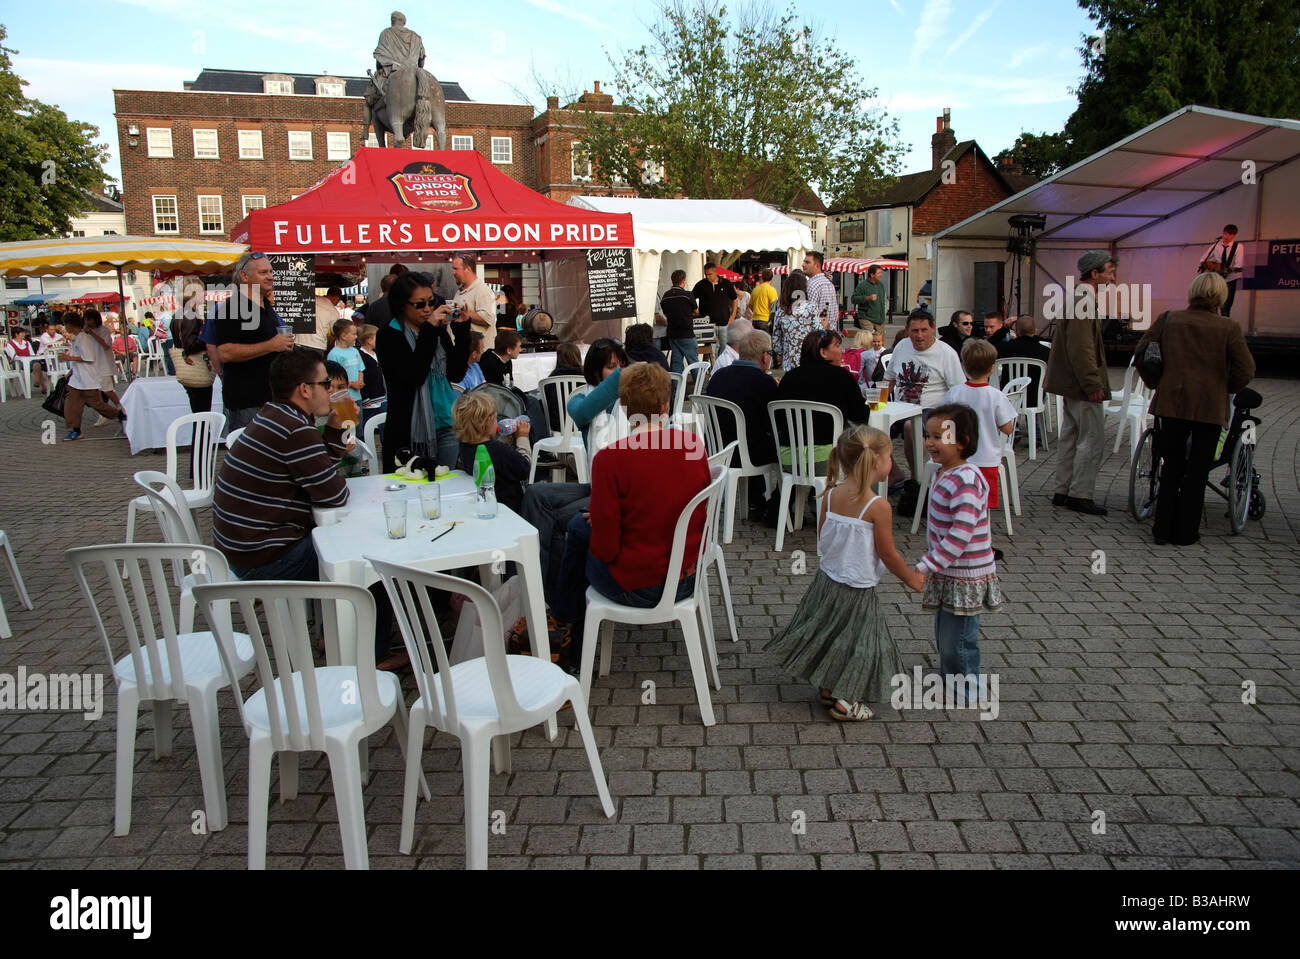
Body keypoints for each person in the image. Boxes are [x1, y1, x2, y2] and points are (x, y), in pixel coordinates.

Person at [212, 350, 404, 670]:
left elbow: (320, 473)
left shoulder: (276, 416)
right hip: (263, 558)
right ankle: (372, 655)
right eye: (325, 384)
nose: (331, 390)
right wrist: (335, 441)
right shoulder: (294, 429)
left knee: (343, 544)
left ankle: (333, 634)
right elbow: (333, 494)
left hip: (241, 547)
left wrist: (332, 427)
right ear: (305, 389)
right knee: (370, 565)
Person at [552, 361, 709, 669]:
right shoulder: (692, 444)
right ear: (665, 405)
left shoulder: (611, 459)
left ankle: (565, 630)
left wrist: (608, 521)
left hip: (642, 586)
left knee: (578, 533)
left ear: (623, 407)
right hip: (689, 575)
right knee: (580, 527)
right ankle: (564, 625)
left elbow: (607, 548)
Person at [768, 425, 923, 721]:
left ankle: (829, 688)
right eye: (890, 456)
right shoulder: (878, 506)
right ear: (877, 461)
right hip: (857, 586)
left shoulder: (830, 493)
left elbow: (823, 533)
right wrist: (912, 579)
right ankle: (846, 699)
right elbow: (888, 554)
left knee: (831, 634)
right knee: (860, 644)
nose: (891, 462)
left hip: (828, 580)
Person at [1134, 272, 1256, 547]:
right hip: (1209, 407)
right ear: (1221, 296)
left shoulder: (1168, 319)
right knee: (1198, 471)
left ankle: (1162, 528)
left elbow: (1141, 354)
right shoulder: (1229, 328)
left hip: (1172, 403)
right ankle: (1186, 532)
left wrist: (1157, 382)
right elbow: (1246, 370)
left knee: (1171, 466)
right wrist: (1226, 387)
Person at [522, 338, 629, 601]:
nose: (618, 372)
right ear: (595, 371)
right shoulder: (581, 399)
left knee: (560, 520)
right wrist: (621, 378)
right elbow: (582, 412)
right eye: (611, 367)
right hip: (597, 485)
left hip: (620, 493)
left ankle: (555, 598)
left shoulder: (633, 399)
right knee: (536, 493)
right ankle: (529, 578)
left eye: (621, 366)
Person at [915, 404, 1001, 692]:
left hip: (965, 574)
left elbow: (960, 535)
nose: (930, 443)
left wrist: (928, 565)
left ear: (963, 441)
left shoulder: (964, 479)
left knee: (960, 638)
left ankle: (967, 688)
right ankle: (951, 675)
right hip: (950, 571)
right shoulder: (945, 472)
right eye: (928, 436)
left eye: (940, 437)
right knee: (946, 633)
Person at [375, 271, 468, 473]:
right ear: (402, 305)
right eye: (419, 304)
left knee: (444, 487)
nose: (427, 309)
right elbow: (413, 376)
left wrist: (461, 331)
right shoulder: (388, 335)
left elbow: (456, 373)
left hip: (445, 422)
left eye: (431, 302)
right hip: (407, 430)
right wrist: (429, 331)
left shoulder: (435, 329)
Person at [1043, 250, 1112, 516]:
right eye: (1107, 270)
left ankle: (1063, 489)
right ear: (1094, 274)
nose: (1111, 275)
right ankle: (1080, 493)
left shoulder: (1077, 298)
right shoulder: (1084, 300)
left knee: (1071, 436)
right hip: (1081, 385)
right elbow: (1082, 348)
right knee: (1090, 438)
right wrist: (1092, 383)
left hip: (1071, 383)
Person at [885, 309, 964, 509]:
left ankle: (917, 480)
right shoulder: (902, 346)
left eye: (923, 330)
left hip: (932, 409)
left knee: (912, 427)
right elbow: (889, 379)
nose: (919, 336)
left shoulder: (946, 353)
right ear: (907, 330)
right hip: (899, 405)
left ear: (933, 329)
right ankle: (893, 474)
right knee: (866, 427)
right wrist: (877, 402)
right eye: (914, 331)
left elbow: (958, 389)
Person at [944, 339, 1016, 559]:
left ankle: (955, 541)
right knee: (981, 508)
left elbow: (944, 422)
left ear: (964, 365)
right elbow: (1008, 427)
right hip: (985, 459)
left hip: (958, 460)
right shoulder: (995, 395)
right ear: (992, 367)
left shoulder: (955, 392)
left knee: (957, 503)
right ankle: (983, 545)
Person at [214, 252, 294, 431]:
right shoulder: (233, 308)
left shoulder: (266, 307)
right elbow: (225, 352)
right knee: (251, 456)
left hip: (273, 397)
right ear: (244, 276)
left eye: (271, 272)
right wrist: (271, 345)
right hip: (248, 402)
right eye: (263, 272)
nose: (270, 277)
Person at [706, 329, 779, 519]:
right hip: (748, 453)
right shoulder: (765, 383)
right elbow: (773, 424)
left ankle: (756, 499)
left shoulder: (718, 377)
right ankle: (778, 503)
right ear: (765, 356)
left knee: (749, 433)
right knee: (783, 446)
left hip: (718, 449)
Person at [774, 330, 869, 460]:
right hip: (828, 457)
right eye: (837, 345)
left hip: (789, 456)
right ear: (823, 352)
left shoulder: (789, 378)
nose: (842, 351)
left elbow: (778, 417)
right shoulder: (842, 376)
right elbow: (860, 415)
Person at [452, 389, 532, 516]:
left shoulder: (465, 447)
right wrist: (522, 437)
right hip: (510, 508)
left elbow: (494, 457)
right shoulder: (499, 451)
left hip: (485, 503)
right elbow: (524, 468)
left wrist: (504, 439)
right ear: (489, 421)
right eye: (495, 418)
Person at [60, 314, 125, 441]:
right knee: (72, 405)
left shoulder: (83, 338)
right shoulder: (78, 338)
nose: (65, 327)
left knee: (99, 405)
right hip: (77, 380)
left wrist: (70, 358)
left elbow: (89, 357)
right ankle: (76, 430)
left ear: (71, 324)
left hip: (88, 379)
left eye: (66, 324)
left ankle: (120, 415)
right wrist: (71, 371)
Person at [771, 270, 821, 371]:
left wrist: (781, 352)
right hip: (809, 358)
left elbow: (776, 340)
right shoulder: (811, 307)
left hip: (789, 360)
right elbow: (818, 332)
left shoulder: (780, 311)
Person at [997, 315, 1051, 407]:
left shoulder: (1003, 348)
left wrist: (1004, 329)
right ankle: (1035, 421)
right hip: (1035, 399)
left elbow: (988, 345)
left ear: (1016, 332)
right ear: (1035, 331)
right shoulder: (1045, 351)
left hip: (1009, 397)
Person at [451, 252, 497, 352]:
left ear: (467, 269)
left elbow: (488, 318)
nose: (453, 272)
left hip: (478, 354)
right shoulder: (459, 292)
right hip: (464, 351)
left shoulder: (482, 290)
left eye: (456, 269)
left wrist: (461, 313)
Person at [1200, 224, 1244, 317]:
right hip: (1216, 278)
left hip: (1230, 279)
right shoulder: (1216, 245)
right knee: (1213, 304)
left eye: (1230, 235)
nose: (1226, 236)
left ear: (1234, 235)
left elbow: (1238, 265)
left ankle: (1225, 328)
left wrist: (1228, 270)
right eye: (1225, 234)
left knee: (1226, 306)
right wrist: (1213, 265)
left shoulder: (1238, 247)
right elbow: (1203, 259)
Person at [659, 269, 697, 373]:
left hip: (672, 334)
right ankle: (700, 388)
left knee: (676, 363)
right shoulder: (688, 295)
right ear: (683, 281)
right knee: (693, 363)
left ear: (672, 281)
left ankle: (676, 388)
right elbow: (696, 311)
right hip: (687, 333)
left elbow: (664, 312)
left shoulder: (665, 296)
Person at [692, 261, 737, 347]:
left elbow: (735, 299)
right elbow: (691, 299)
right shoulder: (701, 284)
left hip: (724, 323)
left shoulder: (726, 283)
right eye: (706, 274)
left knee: (724, 347)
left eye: (710, 274)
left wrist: (733, 315)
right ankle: (712, 361)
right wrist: (696, 311)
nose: (707, 277)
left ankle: (721, 361)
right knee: (711, 350)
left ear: (716, 272)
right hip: (707, 324)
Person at [357, 323, 387, 440]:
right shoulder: (361, 356)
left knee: (384, 424)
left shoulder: (376, 354)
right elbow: (361, 377)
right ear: (369, 340)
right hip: (370, 399)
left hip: (381, 396)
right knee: (367, 425)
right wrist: (364, 397)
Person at [326, 318, 365, 404]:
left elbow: (360, 369)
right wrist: (351, 384)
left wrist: (360, 380)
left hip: (357, 397)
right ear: (343, 336)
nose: (356, 337)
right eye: (354, 334)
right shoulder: (334, 354)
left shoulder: (355, 351)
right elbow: (333, 379)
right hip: (342, 399)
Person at [803, 251, 839, 332]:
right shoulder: (829, 284)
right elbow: (834, 312)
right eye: (804, 261)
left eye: (807, 262)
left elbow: (809, 315)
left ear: (817, 266)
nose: (803, 265)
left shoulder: (812, 285)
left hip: (817, 335)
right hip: (830, 334)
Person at [299, 290, 341, 355]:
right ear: (336, 298)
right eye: (338, 301)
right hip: (317, 345)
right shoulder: (333, 310)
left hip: (299, 342)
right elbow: (334, 334)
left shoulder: (310, 298)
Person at [4, 328, 44, 394]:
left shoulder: (27, 343)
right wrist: (25, 358)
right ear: (16, 334)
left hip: (29, 361)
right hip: (18, 363)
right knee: (37, 365)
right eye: (22, 333)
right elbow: (14, 357)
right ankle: (42, 386)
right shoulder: (10, 344)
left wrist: (29, 359)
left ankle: (38, 382)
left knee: (37, 364)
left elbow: (32, 354)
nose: (24, 334)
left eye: (24, 333)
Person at [850, 264, 888, 334]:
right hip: (866, 318)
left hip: (879, 320)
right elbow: (853, 299)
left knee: (880, 341)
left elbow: (883, 301)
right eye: (878, 273)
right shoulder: (862, 285)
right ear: (872, 275)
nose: (881, 275)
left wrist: (884, 314)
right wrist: (867, 298)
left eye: (881, 273)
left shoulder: (881, 285)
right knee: (870, 340)